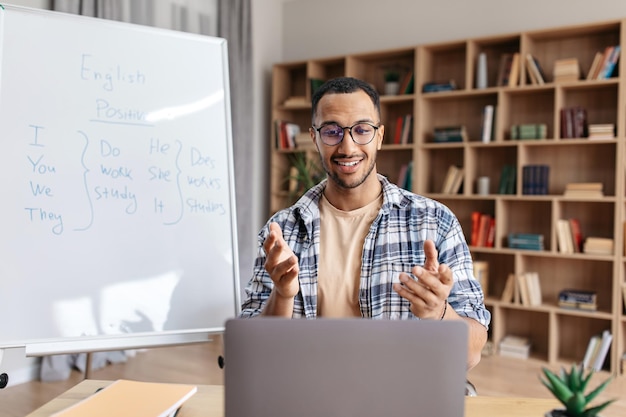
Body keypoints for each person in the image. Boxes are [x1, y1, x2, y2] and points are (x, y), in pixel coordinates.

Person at [240, 76, 490, 369]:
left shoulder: (436, 223)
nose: (348, 147)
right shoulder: (282, 233)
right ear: (315, 138)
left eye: (362, 130)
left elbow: (472, 354)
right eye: (332, 131)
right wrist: (282, 296)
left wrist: (439, 312)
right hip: (307, 397)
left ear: (380, 136)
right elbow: (252, 355)